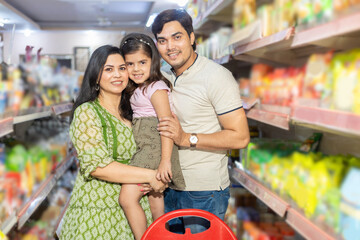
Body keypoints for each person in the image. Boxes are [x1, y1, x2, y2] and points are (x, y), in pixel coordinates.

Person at [152, 9, 250, 232]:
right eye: (162, 40)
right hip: (167, 186)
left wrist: (186, 138)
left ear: (192, 37)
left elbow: (241, 136)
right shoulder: (161, 76)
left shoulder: (216, 76)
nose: (170, 47)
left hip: (203, 190)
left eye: (177, 37)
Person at [60, 45, 167, 240]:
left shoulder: (133, 112)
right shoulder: (87, 112)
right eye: (109, 69)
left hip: (134, 211)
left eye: (122, 68)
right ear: (96, 76)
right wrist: (152, 175)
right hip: (98, 214)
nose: (117, 74)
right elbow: (98, 166)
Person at [118, 33, 185, 240]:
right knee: (156, 204)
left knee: (127, 198)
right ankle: (159, 236)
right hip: (150, 148)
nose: (136, 69)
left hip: (154, 150)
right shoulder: (139, 88)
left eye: (142, 62)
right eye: (130, 64)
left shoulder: (156, 88)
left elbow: (166, 125)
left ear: (153, 62)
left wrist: (165, 162)